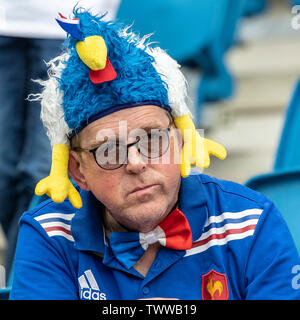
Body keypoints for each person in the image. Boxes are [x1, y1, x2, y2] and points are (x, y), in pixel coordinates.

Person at [10, 9, 300, 300]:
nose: (136, 163)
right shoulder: (49, 235)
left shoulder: (250, 222)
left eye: (151, 139)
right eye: (109, 151)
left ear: (180, 140)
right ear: (77, 171)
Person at [0, 0, 122, 281]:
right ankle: (28, 272)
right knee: (4, 174)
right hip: (5, 24)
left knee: (40, 174)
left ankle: (24, 280)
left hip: (69, 23)